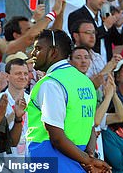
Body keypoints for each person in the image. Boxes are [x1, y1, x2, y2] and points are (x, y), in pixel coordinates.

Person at [27, 29, 110, 172]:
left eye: (38, 48)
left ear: (53, 52)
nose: (32, 54)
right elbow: (90, 128)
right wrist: (89, 158)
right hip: (78, 165)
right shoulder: (85, 82)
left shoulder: (51, 83)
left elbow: (57, 138)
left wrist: (89, 160)